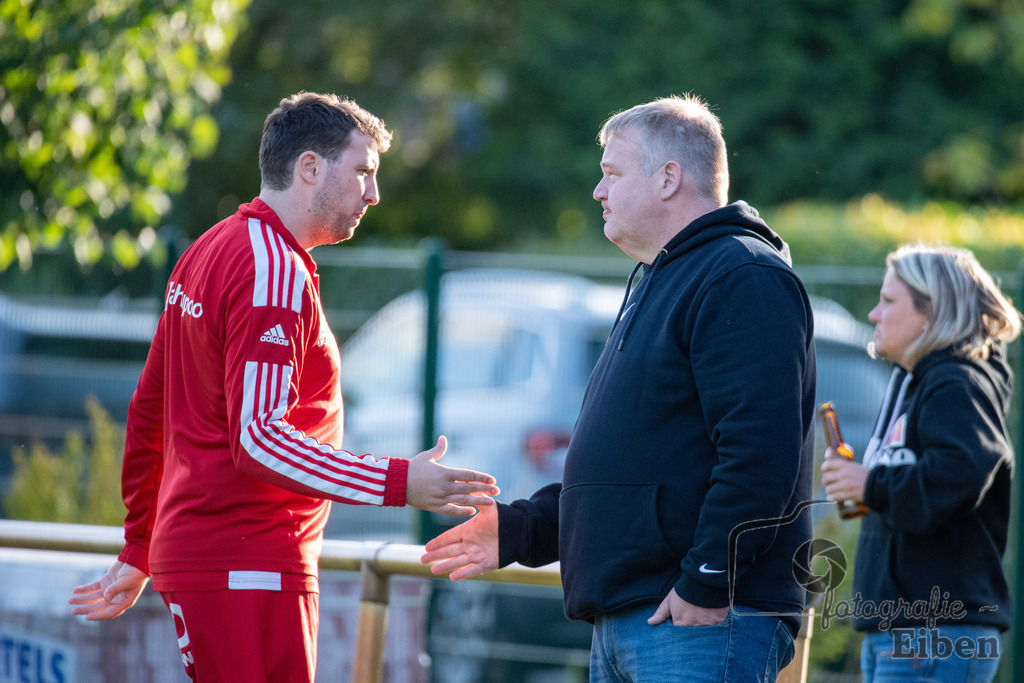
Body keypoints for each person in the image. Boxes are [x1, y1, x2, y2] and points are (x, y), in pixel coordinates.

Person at [67, 92, 499, 683]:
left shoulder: (209, 248)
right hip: (248, 561)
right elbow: (260, 439)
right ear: (310, 168)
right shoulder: (273, 270)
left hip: (218, 557)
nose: (373, 195)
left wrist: (143, 544)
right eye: (364, 173)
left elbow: (150, 412)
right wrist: (401, 482)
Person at [421, 94, 817, 682]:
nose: (598, 191)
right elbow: (632, 470)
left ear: (667, 178)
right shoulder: (663, 279)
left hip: (698, 622)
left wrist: (708, 578)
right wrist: (519, 529)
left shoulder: (741, 275)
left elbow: (762, 454)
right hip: (643, 621)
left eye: (611, 172)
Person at [821, 244, 1019, 682]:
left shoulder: (956, 383)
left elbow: (962, 472)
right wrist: (861, 483)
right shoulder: (914, 382)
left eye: (889, 301)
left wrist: (869, 485)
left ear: (932, 313)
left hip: (934, 635)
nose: (874, 314)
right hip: (906, 633)